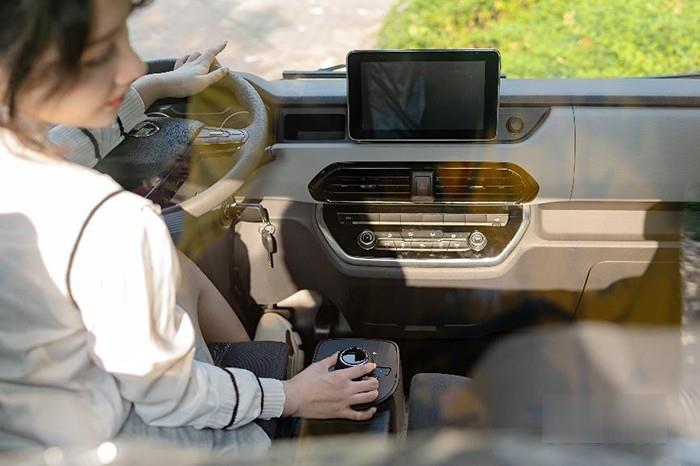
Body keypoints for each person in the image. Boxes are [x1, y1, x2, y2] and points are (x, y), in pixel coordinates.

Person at [0, 0, 379, 453]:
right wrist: (291, 397)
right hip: (139, 444)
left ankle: (262, 350)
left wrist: (156, 88)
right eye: (100, 52)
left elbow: (63, 146)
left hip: (31, 422)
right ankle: (273, 371)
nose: (132, 65)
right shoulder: (108, 221)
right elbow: (170, 397)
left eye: (125, 35)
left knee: (176, 264)